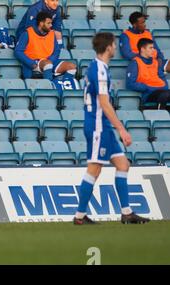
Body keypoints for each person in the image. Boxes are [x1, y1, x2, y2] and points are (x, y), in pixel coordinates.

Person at [74, 32, 150, 225]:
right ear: (108, 47)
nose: (115, 48)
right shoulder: (99, 69)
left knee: (123, 164)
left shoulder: (99, 67)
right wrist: (122, 129)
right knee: (94, 169)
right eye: (114, 45)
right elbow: (104, 103)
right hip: (98, 126)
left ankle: (126, 213)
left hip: (103, 126)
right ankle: (79, 217)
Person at [15, 12, 76, 80]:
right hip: (34, 63)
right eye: (48, 23)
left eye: (51, 23)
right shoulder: (27, 33)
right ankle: (49, 87)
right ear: (41, 23)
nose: (51, 25)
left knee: (72, 67)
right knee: (47, 64)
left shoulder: (52, 33)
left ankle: (64, 84)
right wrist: (31, 63)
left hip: (49, 61)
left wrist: (51, 60)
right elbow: (18, 51)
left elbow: (56, 50)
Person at [126, 38, 170, 109]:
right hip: (148, 94)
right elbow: (130, 84)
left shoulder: (155, 62)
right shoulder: (135, 63)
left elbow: (163, 80)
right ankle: (160, 115)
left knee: (166, 94)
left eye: (153, 48)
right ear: (142, 49)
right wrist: (147, 88)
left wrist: (162, 87)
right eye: (151, 48)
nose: (153, 50)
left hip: (161, 91)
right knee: (165, 95)